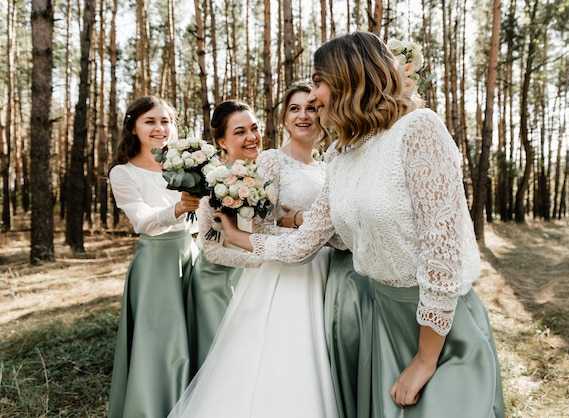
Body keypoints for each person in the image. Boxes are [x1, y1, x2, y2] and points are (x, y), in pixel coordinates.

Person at [214, 32, 505, 417]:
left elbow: (443, 252)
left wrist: (425, 358)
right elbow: (305, 244)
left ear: (349, 78)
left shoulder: (418, 129)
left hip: (439, 327)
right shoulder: (341, 152)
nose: (313, 97)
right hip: (381, 320)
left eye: (319, 81)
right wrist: (237, 236)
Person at [168, 83, 338, 418]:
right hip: (285, 271)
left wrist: (306, 225)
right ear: (285, 119)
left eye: (311, 108)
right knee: (282, 360)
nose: (304, 115)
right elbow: (255, 230)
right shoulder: (271, 162)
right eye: (294, 109)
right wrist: (295, 228)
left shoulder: (325, 166)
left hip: (326, 268)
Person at [107, 95, 200, 418]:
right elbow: (142, 222)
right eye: (150, 121)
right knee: (161, 342)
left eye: (165, 121)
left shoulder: (187, 164)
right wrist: (178, 208)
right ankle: (153, 407)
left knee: (194, 332)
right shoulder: (123, 174)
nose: (160, 128)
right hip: (155, 264)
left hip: (192, 256)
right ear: (133, 127)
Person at [185, 100, 259, 377]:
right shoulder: (211, 186)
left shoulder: (265, 174)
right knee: (225, 365)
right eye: (240, 132)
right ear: (222, 142)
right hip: (218, 283)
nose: (251, 137)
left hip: (255, 274)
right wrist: (262, 260)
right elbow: (212, 250)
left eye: (254, 128)